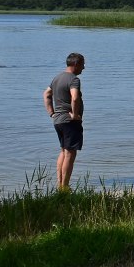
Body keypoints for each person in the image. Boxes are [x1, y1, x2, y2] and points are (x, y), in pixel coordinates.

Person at [44, 52, 85, 191]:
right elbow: (74, 97)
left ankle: (60, 184)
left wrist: (51, 113)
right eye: (82, 64)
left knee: (63, 151)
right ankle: (65, 187)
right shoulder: (74, 79)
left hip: (58, 121)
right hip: (69, 121)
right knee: (70, 153)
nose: (84, 68)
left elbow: (46, 94)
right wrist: (74, 115)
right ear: (76, 64)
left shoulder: (57, 78)